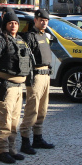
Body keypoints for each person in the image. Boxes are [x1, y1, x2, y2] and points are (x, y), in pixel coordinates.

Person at [0, 10, 32, 163]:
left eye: (16, 23)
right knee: (4, 119)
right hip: (5, 86)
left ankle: (12, 149)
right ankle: (2, 150)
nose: (13, 25)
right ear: (5, 24)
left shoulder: (19, 40)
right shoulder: (0, 39)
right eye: (10, 23)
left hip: (18, 87)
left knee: (14, 120)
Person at [21, 8, 57, 151]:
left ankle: (38, 138)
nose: (44, 23)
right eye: (41, 20)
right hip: (35, 75)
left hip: (45, 75)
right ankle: (25, 141)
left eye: (46, 21)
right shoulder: (30, 36)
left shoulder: (45, 35)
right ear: (35, 20)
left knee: (42, 109)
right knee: (32, 108)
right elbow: (26, 59)